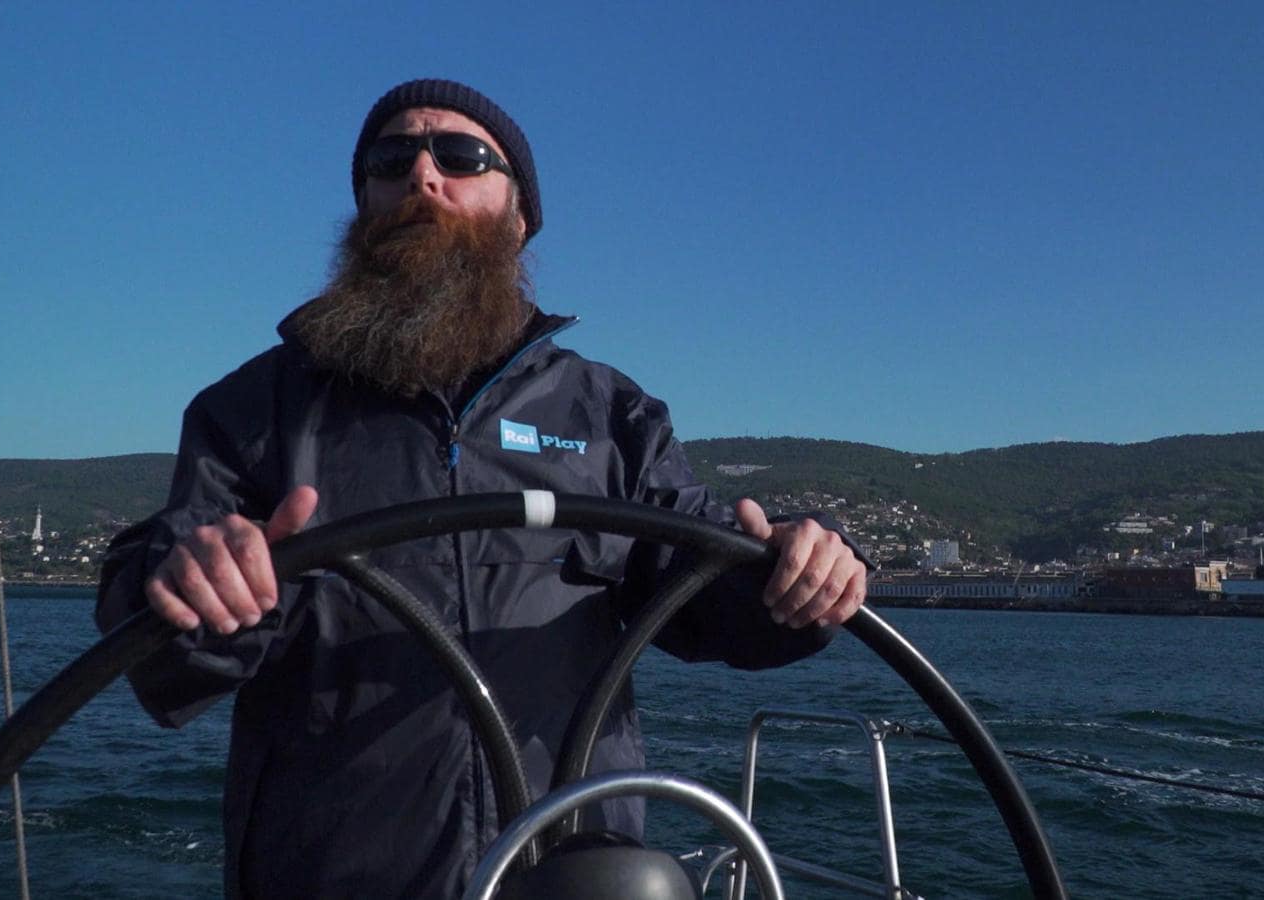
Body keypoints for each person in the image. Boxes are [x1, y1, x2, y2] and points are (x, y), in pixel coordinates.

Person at [94, 78, 870, 898]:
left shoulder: (611, 415)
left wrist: (801, 566)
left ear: (521, 214)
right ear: (363, 205)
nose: (423, 176)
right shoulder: (254, 411)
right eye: (391, 159)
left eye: (461, 156)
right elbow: (162, 646)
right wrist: (187, 577)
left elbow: (705, 589)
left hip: (565, 875)